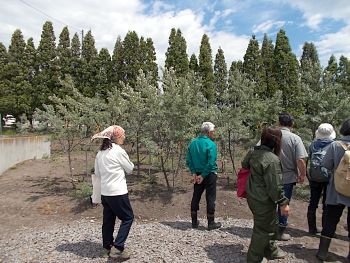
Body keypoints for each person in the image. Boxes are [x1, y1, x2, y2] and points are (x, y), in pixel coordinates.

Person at [243, 126, 290, 263]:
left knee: (271, 224)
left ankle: (271, 250)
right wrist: (283, 202)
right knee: (263, 228)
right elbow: (275, 185)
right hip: (263, 199)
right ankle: (254, 258)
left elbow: (244, 164)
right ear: (277, 141)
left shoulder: (254, 152)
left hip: (254, 195)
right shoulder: (272, 160)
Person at [92, 125, 134, 259]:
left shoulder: (100, 153)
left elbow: (97, 173)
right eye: (122, 134)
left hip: (105, 192)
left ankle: (106, 248)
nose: (124, 137)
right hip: (118, 191)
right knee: (128, 218)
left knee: (108, 220)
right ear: (115, 137)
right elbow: (129, 168)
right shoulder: (118, 151)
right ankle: (118, 247)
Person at [316, 118, 350, 261]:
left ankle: (322, 251)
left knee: (331, 219)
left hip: (336, 189)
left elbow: (326, 164)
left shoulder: (336, 145)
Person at [277, 113, 308, 241]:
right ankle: (280, 231)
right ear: (292, 125)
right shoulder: (295, 138)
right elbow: (300, 160)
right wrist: (302, 174)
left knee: (269, 202)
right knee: (284, 203)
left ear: (278, 123)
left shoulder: (271, 135)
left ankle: (267, 228)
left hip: (269, 177)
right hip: (287, 177)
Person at [186, 122, 221, 230]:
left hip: (197, 174)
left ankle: (194, 222)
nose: (213, 134)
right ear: (209, 132)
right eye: (213, 132)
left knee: (196, 196)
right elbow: (211, 163)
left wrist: (194, 173)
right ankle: (211, 222)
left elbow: (188, 160)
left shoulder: (192, 143)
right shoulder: (211, 145)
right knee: (210, 197)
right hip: (209, 174)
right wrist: (204, 175)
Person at [307, 123, 336, 234]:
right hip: (329, 178)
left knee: (313, 202)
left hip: (315, 177)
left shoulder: (313, 145)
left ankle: (312, 228)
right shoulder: (334, 145)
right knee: (326, 204)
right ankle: (325, 229)